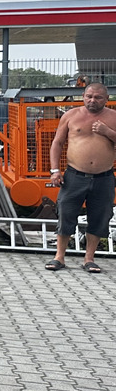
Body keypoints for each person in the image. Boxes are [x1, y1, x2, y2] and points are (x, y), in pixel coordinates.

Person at [47, 82, 116, 272]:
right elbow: (57, 143)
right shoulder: (71, 115)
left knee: (100, 216)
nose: (92, 100)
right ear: (83, 96)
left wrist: (108, 132)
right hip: (74, 175)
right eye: (89, 96)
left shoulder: (113, 117)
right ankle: (59, 257)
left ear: (106, 99)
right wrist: (55, 170)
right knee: (66, 212)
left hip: (104, 177)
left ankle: (89, 259)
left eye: (98, 97)